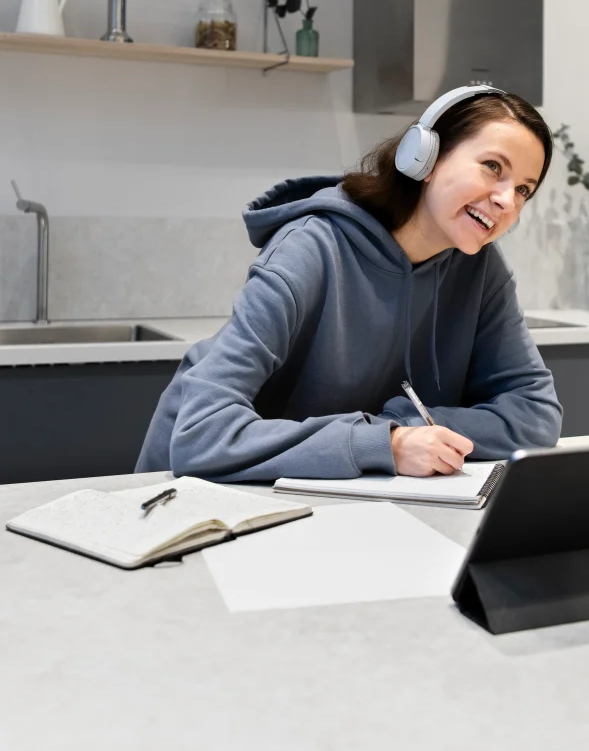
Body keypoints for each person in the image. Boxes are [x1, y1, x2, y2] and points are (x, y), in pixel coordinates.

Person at [136, 85, 562, 482]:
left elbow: (536, 415)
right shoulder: (309, 248)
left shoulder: (480, 268)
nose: (507, 201)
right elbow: (200, 434)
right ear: (426, 159)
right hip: (188, 498)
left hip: (328, 498)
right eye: (493, 167)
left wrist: (403, 429)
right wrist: (384, 444)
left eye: (524, 189)